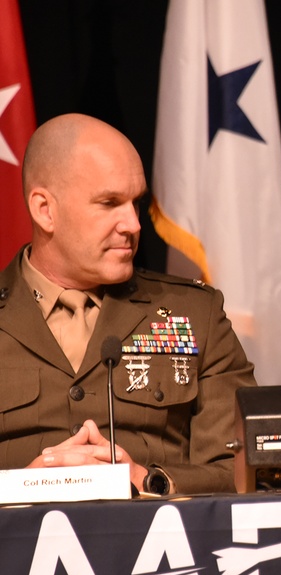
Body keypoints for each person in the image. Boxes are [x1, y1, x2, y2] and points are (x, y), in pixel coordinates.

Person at [0, 113, 256, 495]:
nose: (134, 224)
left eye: (136, 203)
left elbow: (244, 471)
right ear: (44, 210)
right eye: (109, 203)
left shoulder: (196, 314)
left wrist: (149, 480)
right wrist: (16, 488)